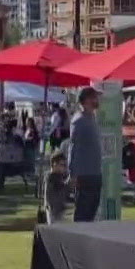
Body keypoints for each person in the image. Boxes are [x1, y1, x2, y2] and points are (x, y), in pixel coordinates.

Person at [70, 88, 103, 222]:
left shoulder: (92, 118)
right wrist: (73, 174)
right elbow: (73, 148)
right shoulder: (79, 121)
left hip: (95, 172)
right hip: (84, 174)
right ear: (86, 101)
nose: (97, 100)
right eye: (94, 97)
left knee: (91, 212)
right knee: (83, 213)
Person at [44, 151, 71, 222]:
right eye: (62, 165)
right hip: (54, 211)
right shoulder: (51, 177)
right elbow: (61, 188)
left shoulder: (59, 177)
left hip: (59, 210)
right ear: (54, 164)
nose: (64, 168)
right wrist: (69, 182)